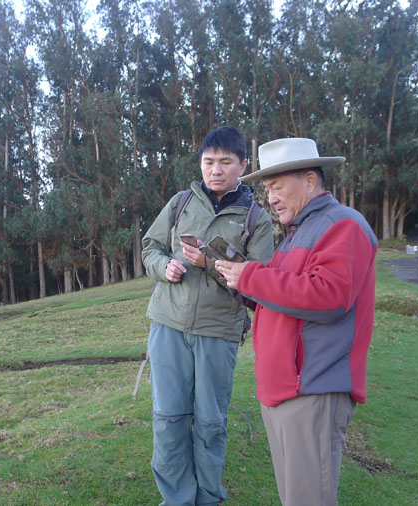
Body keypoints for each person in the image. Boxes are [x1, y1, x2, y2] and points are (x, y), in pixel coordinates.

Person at [215, 137, 377, 506]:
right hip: (284, 393)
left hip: (313, 391)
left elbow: (329, 296)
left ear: (309, 181)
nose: (270, 198)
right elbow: (281, 298)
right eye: (266, 188)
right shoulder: (296, 235)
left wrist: (252, 277)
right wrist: (235, 278)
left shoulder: (342, 225)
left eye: (276, 186)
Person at [142, 126, 274, 506]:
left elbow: (259, 284)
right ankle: (177, 499)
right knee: (168, 418)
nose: (216, 170)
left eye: (225, 162)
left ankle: (209, 497)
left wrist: (212, 264)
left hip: (218, 332)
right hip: (168, 324)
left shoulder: (255, 219)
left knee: (211, 423)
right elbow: (150, 246)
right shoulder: (181, 202)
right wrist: (164, 265)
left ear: (243, 165)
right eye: (208, 162)